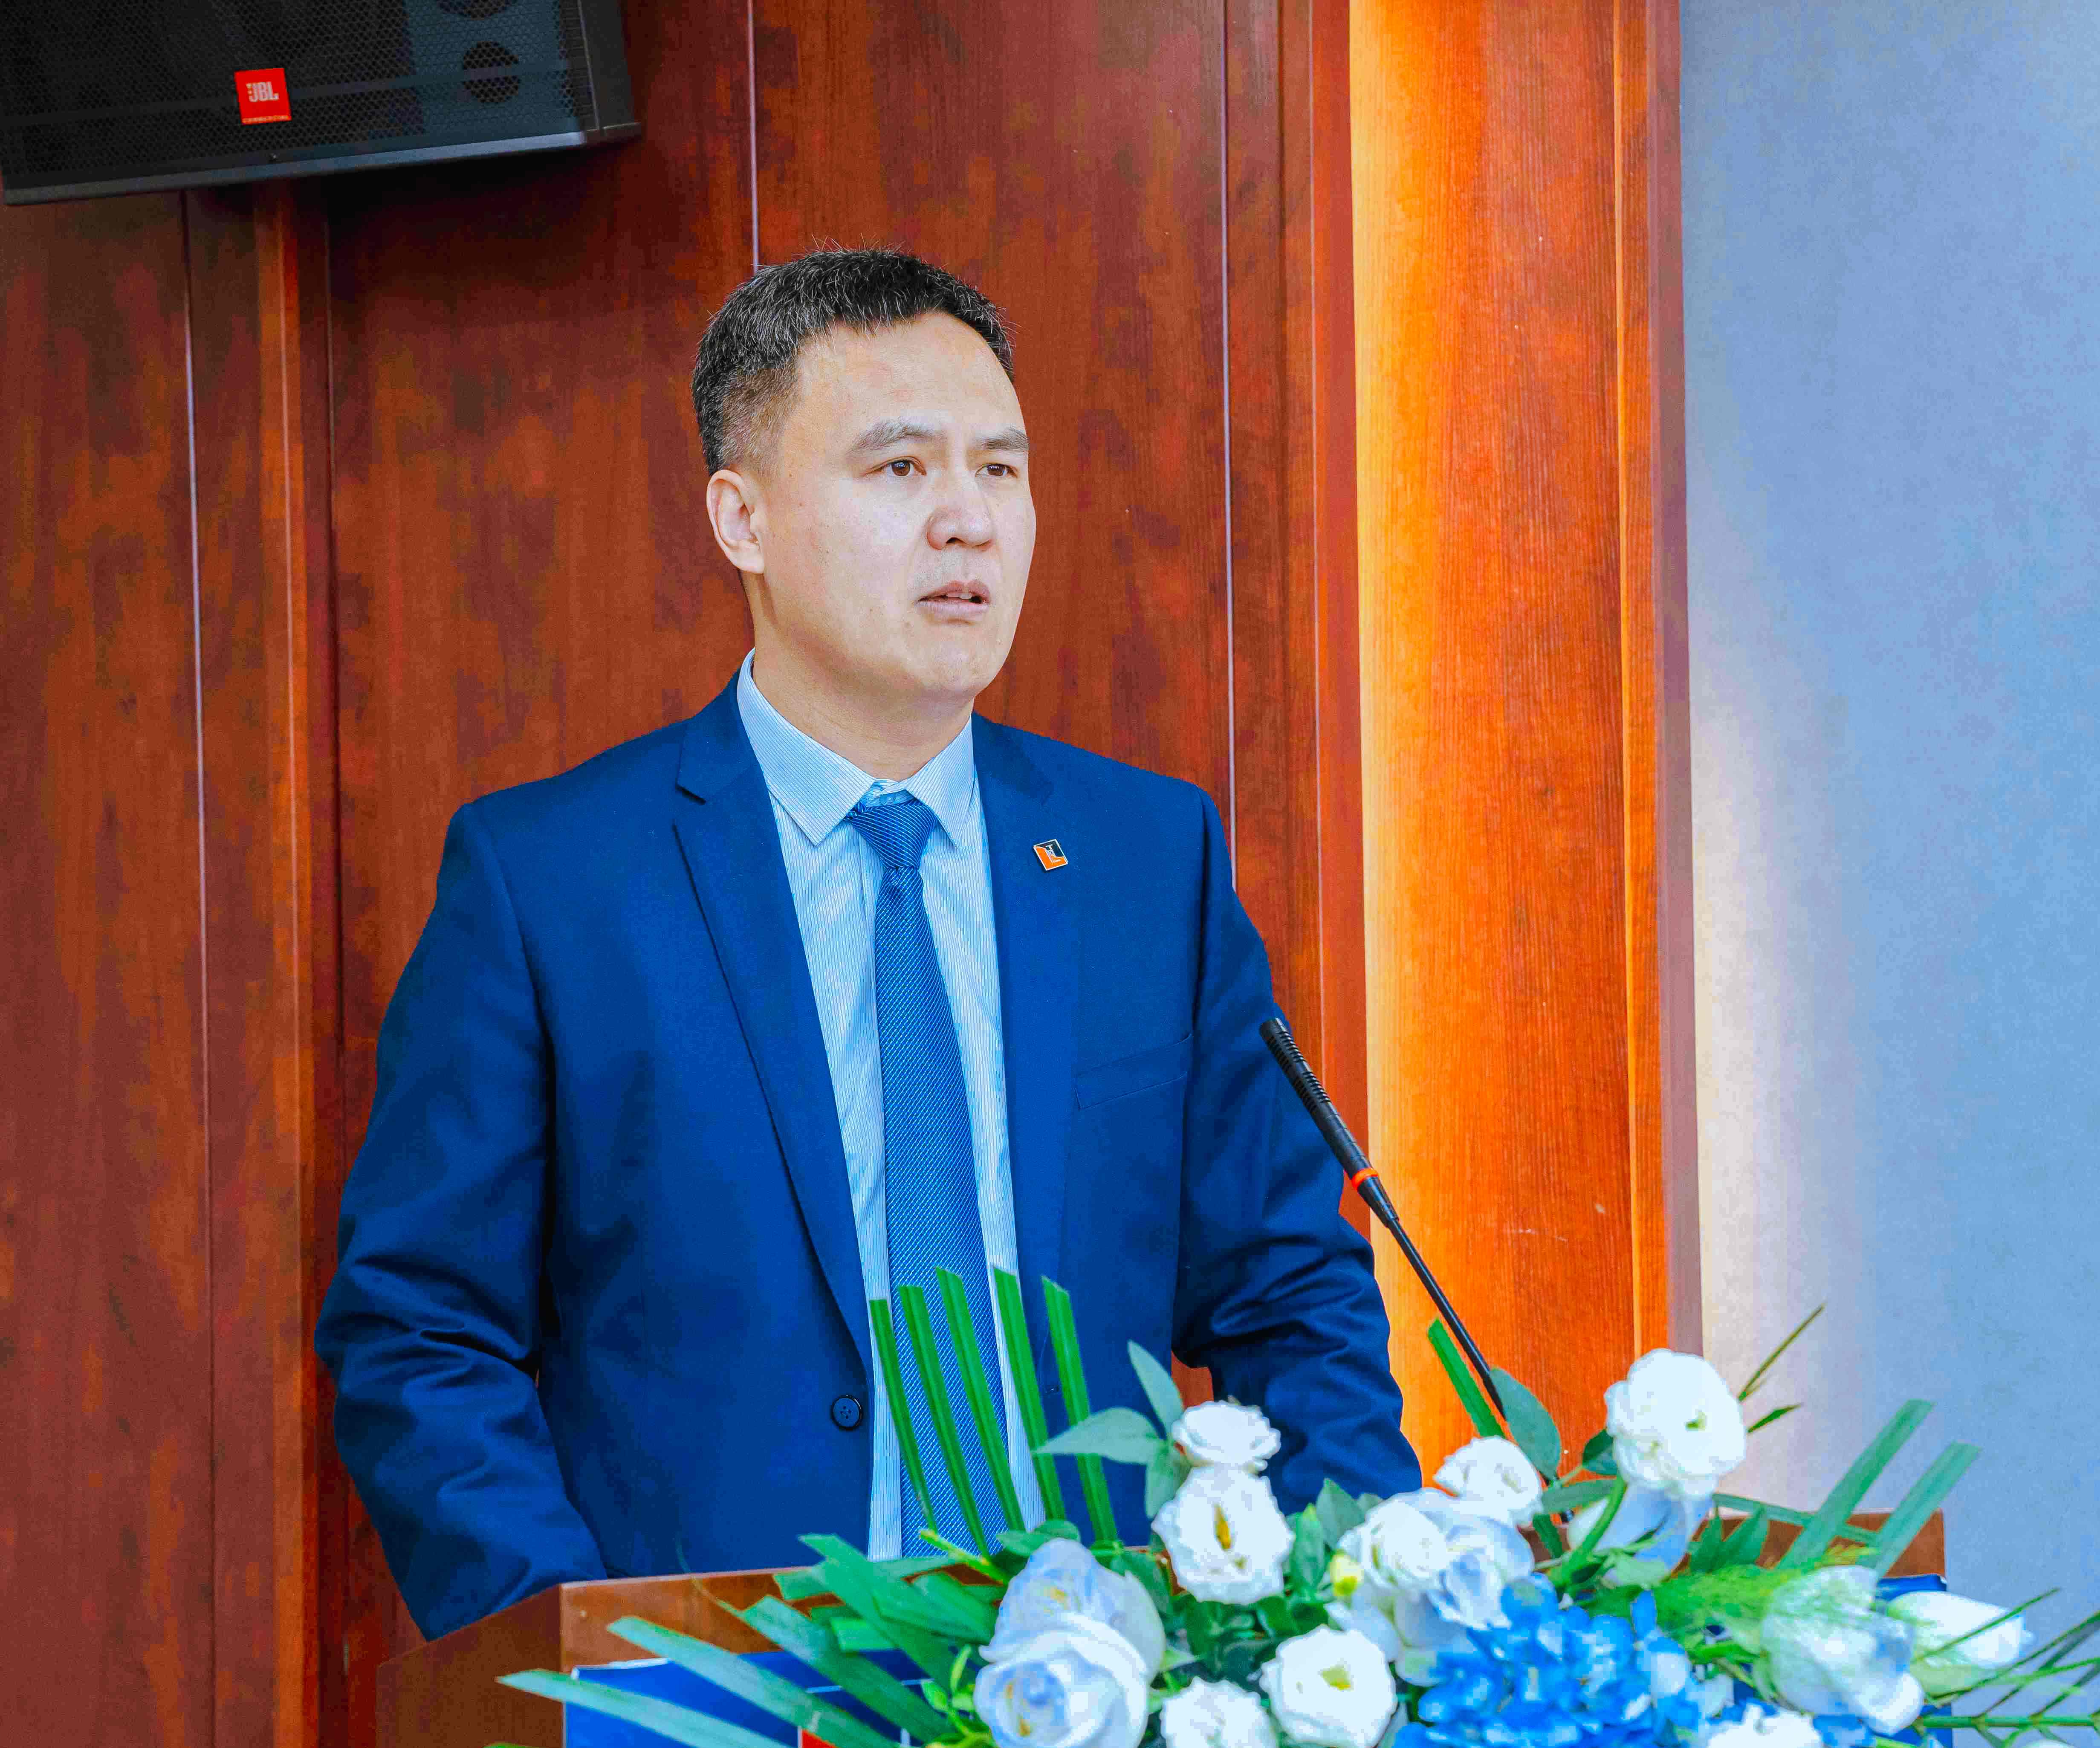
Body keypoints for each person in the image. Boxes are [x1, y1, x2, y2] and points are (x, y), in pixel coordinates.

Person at [317, 248, 1416, 1640]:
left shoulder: (1148, 858)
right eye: (901, 470)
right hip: (721, 1714)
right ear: (743, 519)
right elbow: (419, 1327)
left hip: (1107, 1703)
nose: (968, 522)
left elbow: (1289, 1291)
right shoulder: (554, 881)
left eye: (1001, 470)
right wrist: (592, 1657)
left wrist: (1347, 1621)